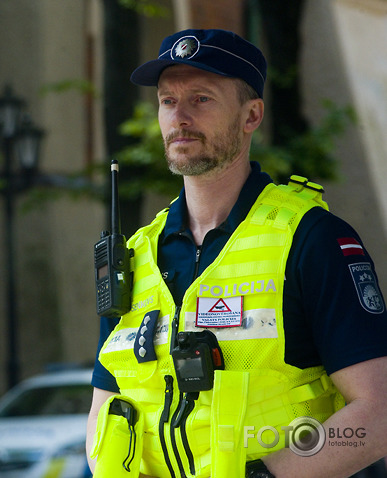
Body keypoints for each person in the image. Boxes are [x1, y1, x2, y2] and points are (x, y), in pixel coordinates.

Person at [86, 29, 387, 478]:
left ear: (251, 116)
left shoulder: (312, 239)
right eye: (168, 101)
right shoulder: (136, 256)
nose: (180, 117)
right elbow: (102, 414)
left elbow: (377, 414)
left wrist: (269, 475)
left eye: (201, 99)